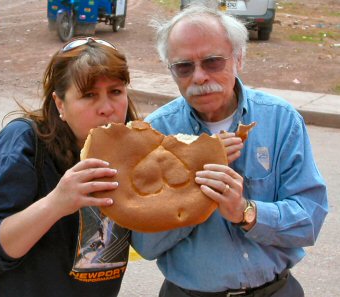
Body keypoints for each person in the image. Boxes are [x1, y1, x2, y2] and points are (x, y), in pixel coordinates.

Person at [131, 2, 328, 297]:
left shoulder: (279, 119)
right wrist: (192, 184)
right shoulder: (156, 132)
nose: (199, 77)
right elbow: (144, 243)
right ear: (171, 71)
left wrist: (244, 211)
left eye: (212, 62)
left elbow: (309, 220)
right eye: (184, 67)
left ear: (239, 58)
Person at [0, 37, 139, 297]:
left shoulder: (132, 145)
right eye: (89, 95)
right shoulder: (24, 143)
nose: (107, 108)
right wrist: (56, 203)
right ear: (60, 104)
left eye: (115, 91)